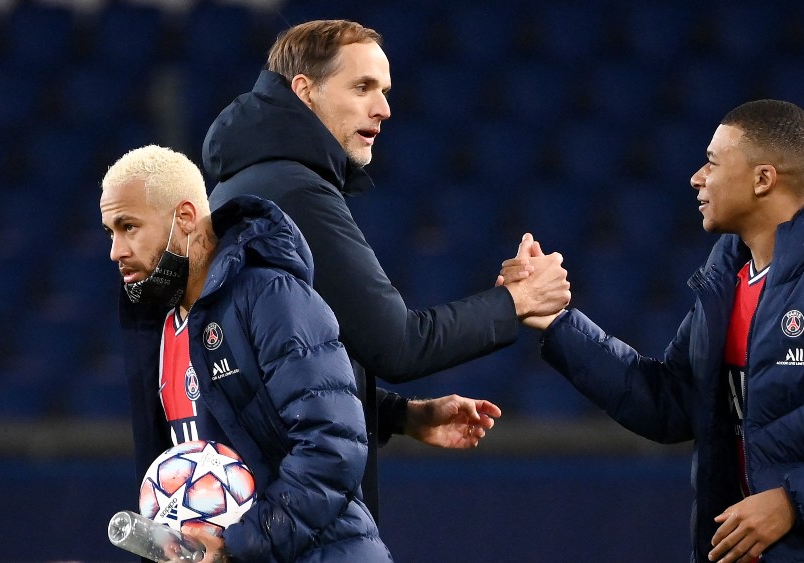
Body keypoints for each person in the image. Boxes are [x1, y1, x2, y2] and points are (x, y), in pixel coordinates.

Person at [506, 100, 804, 561]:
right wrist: (557, 321)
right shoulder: (726, 285)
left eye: (712, 163)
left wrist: (792, 502)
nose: (696, 178)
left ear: (763, 179)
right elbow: (668, 405)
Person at [202, 19, 571, 519]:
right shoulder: (295, 193)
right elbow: (399, 345)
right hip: (299, 516)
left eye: (385, 91)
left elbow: (274, 371)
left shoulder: (243, 183)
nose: (383, 108)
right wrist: (518, 300)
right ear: (304, 91)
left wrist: (399, 415)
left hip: (264, 501)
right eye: (362, 87)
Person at [100, 145, 392, 561]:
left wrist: (240, 544)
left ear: (185, 218)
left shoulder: (270, 296)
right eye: (110, 232)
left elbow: (333, 447)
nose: (116, 251)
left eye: (129, 227)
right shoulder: (159, 330)